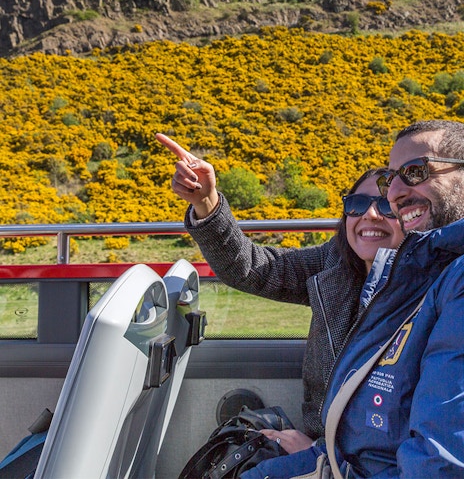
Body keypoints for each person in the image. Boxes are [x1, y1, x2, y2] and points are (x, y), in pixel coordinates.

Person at [238, 119, 464, 478]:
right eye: (392, 180)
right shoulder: (398, 271)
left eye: (416, 171)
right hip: (341, 457)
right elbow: (260, 269)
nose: (393, 195)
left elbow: (438, 461)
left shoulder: (448, 278)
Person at [155, 132, 403, 452]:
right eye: (356, 204)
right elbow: (252, 269)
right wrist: (205, 201)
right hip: (321, 447)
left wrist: (318, 458)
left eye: (386, 204)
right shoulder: (333, 264)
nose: (369, 215)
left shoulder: (430, 294)